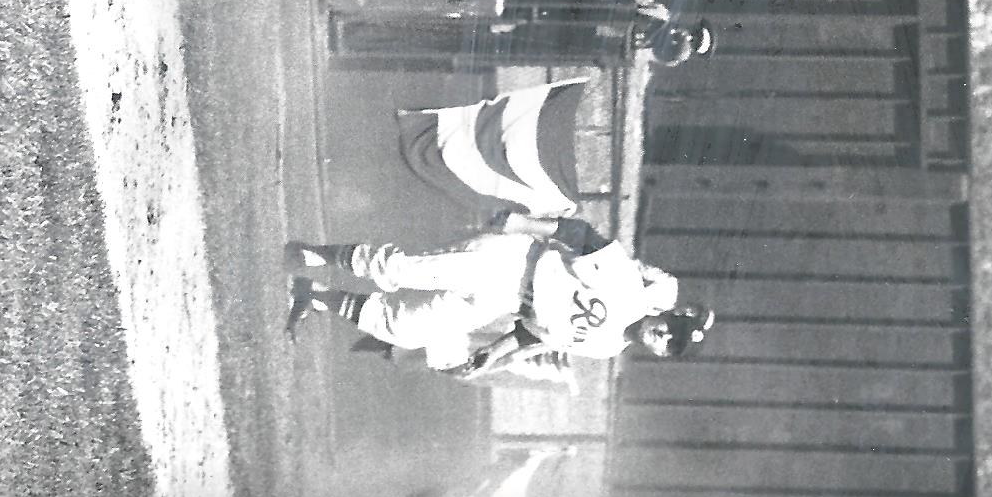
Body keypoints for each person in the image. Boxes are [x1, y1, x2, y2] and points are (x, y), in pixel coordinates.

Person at [284, 219, 709, 377]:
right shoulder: (629, 290)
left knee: (408, 329)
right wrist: (521, 223)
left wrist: (493, 352)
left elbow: (533, 334)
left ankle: (316, 295)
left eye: (670, 345)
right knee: (404, 271)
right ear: (669, 315)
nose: (664, 337)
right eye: (673, 329)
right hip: (513, 262)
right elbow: (582, 236)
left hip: (507, 303)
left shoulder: (607, 347)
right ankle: (315, 255)